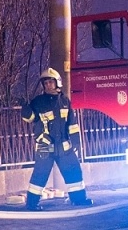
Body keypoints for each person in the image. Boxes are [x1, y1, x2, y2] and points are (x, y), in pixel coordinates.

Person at [20, 67, 91, 210]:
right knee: (40, 176)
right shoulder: (38, 101)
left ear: (57, 83)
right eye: (45, 83)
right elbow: (30, 119)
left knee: (74, 171)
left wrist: (76, 140)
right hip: (45, 146)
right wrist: (25, 108)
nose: (48, 85)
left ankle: (78, 199)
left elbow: (72, 123)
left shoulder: (65, 101)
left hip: (64, 146)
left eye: (50, 82)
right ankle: (32, 204)